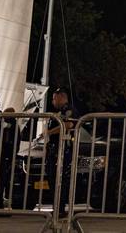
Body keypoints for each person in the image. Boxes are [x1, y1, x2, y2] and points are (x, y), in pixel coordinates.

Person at [43, 88, 78, 216]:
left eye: (54, 98)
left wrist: (49, 132)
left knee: (60, 180)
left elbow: (69, 125)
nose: (53, 101)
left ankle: (60, 209)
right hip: (54, 150)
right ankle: (57, 208)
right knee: (53, 179)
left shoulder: (69, 110)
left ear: (61, 97)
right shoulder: (59, 112)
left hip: (63, 150)